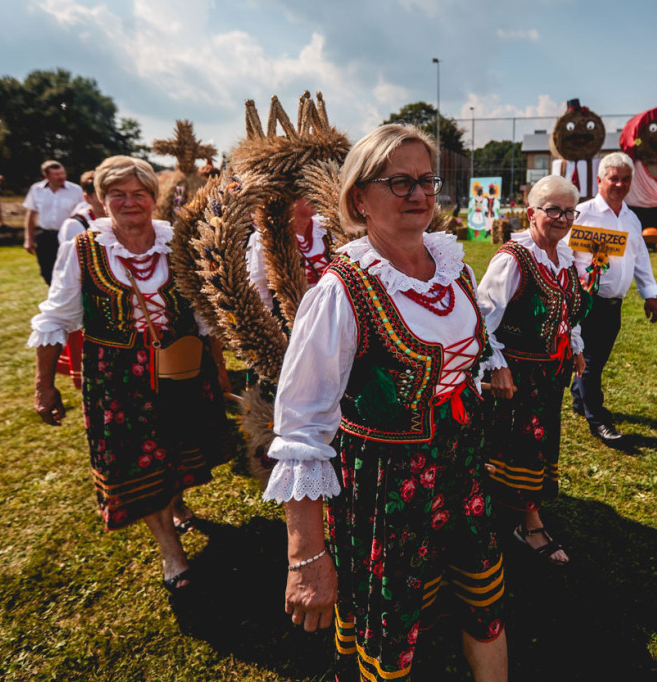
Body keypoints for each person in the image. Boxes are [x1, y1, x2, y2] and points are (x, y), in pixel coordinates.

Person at [265, 124, 507, 681]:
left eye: (426, 180)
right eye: (398, 182)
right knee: (392, 624)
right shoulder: (341, 291)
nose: (418, 194)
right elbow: (301, 430)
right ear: (358, 199)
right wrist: (305, 555)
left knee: (481, 599)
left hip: (460, 465)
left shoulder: (454, 267)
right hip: (386, 485)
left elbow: (469, 348)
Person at [29, 155, 233, 591]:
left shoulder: (177, 242)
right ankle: (171, 554)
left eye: (139, 193)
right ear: (102, 201)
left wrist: (217, 368)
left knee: (177, 449)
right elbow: (55, 319)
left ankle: (176, 503)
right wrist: (44, 386)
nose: (129, 202)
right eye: (117, 194)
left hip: (180, 366)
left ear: (153, 198)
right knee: (136, 461)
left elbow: (201, 313)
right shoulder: (81, 249)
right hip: (117, 377)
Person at [477, 174, 588, 566]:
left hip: (550, 375)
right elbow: (481, 319)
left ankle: (511, 514)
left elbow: (569, 308)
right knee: (515, 446)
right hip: (518, 375)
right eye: (552, 209)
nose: (561, 218)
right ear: (531, 213)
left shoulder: (566, 256)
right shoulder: (513, 258)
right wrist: (497, 366)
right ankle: (528, 521)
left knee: (537, 447)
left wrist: (574, 345)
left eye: (568, 210)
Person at [570, 152, 657, 444]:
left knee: (596, 360)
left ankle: (578, 401)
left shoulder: (632, 219)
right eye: (613, 178)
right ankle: (598, 420)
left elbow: (640, 258)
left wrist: (650, 295)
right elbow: (562, 253)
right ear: (600, 180)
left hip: (613, 305)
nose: (619, 185)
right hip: (586, 303)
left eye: (625, 179)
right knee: (590, 363)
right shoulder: (582, 213)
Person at [52, 170, 106, 391]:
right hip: (89, 295)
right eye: (99, 194)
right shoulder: (76, 224)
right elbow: (71, 266)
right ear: (87, 197)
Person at [23, 161, 84, 284]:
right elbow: (31, 215)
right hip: (46, 237)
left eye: (62, 173)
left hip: (69, 237)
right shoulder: (36, 190)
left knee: (71, 271)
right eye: (56, 174)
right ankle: (54, 298)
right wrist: (28, 239)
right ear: (46, 176)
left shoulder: (76, 190)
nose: (61, 177)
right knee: (47, 270)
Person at [58, 170, 105, 245]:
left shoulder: (121, 220)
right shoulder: (74, 225)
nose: (107, 200)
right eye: (101, 196)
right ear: (87, 198)